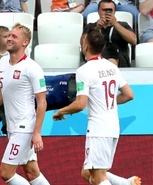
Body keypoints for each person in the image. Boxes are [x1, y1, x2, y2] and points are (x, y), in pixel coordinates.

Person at [53, 29, 140, 185]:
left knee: (98, 177)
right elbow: (129, 95)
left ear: (85, 46)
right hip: (113, 127)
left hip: (98, 129)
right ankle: (126, 183)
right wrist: (106, 101)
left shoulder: (83, 71)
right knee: (88, 173)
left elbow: (80, 104)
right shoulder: (111, 66)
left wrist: (61, 111)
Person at [0, 23, 50, 185]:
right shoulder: (3, 63)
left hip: (25, 127)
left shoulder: (32, 68)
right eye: (8, 35)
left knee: (6, 172)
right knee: (31, 171)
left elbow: (42, 102)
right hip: (12, 126)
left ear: (25, 42)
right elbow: (2, 91)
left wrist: (37, 133)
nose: (9, 39)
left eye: (14, 36)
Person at [81, 0, 137, 67]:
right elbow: (83, 43)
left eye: (110, 10)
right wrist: (97, 28)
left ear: (114, 12)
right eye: (104, 10)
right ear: (98, 11)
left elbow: (134, 41)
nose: (107, 13)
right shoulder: (91, 26)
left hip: (119, 58)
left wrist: (115, 24)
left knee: (112, 58)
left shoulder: (123, 25)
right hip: (97, 58)